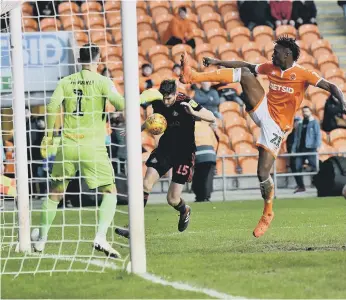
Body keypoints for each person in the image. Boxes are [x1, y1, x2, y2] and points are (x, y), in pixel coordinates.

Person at [179, 36, 345, 238]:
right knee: (245, 73)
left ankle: (268, 212)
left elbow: (332, 87)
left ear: (287, 54)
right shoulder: (270, 67)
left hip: (277, 126)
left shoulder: (302, 74)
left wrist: (344, 104)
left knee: (262, 173)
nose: (272, 55)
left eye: (276, 52)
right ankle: (192, 76)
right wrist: (217, 62)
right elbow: (245, 64)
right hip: (263, 108)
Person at [31, 43, 125, 258]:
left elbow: (53, 106)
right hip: (93, 146)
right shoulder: (104, 81)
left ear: (78, 60)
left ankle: (41, 240)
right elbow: (120, 103)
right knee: (109, 191)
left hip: (68, 145)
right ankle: (100, 236)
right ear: (98, 59)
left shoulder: (65, 82)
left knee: (55, 193)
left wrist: (49, 135)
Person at [115, 80, 216, 238]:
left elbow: (211, 117)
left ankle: (184, 210)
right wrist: (137, 129)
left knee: (172, 199)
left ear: (176, 93)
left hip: (184, 153)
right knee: (146, 182)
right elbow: (153, 120)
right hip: (165, 150)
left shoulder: (186, 102)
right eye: (164, 98)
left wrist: (194, 113)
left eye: (169, 98)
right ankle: (134, 227)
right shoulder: (158, 101)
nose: (166, 102)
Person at [291, 106, 321, 193]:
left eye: (307, 111)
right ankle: (301, 186)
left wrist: (317, 146)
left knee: (316, 167)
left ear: (310, 112)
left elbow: (317, 135)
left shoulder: (314, 122)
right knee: (297, 167)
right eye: (304, 111)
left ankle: (320, 184)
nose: (305, 113)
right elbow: (297, 138)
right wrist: (294, 149)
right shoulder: (300, 123)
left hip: (310, 148)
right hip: (300, 149)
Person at [192, 121, 218, 202]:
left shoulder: (190, 125)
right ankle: (207, 196)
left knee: (198, 176)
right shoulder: (207, 126)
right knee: (208, 177)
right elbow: (215, 142)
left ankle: (199, 196)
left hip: (198, 153)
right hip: (210, 153)